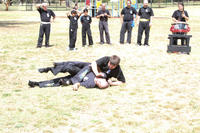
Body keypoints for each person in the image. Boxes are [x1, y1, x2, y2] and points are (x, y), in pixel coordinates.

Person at [28, 66, 109, 91]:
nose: (98, 83)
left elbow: (79, 83)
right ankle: (50, 69)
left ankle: (37, 84)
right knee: (68, 67)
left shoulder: (91, 84)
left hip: (74, 79)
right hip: (79, 71)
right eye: (100, 83)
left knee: (58, 82)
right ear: (103, 80)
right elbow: (94, 66)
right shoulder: (102, 75)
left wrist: (76, 86)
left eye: (99, 86)